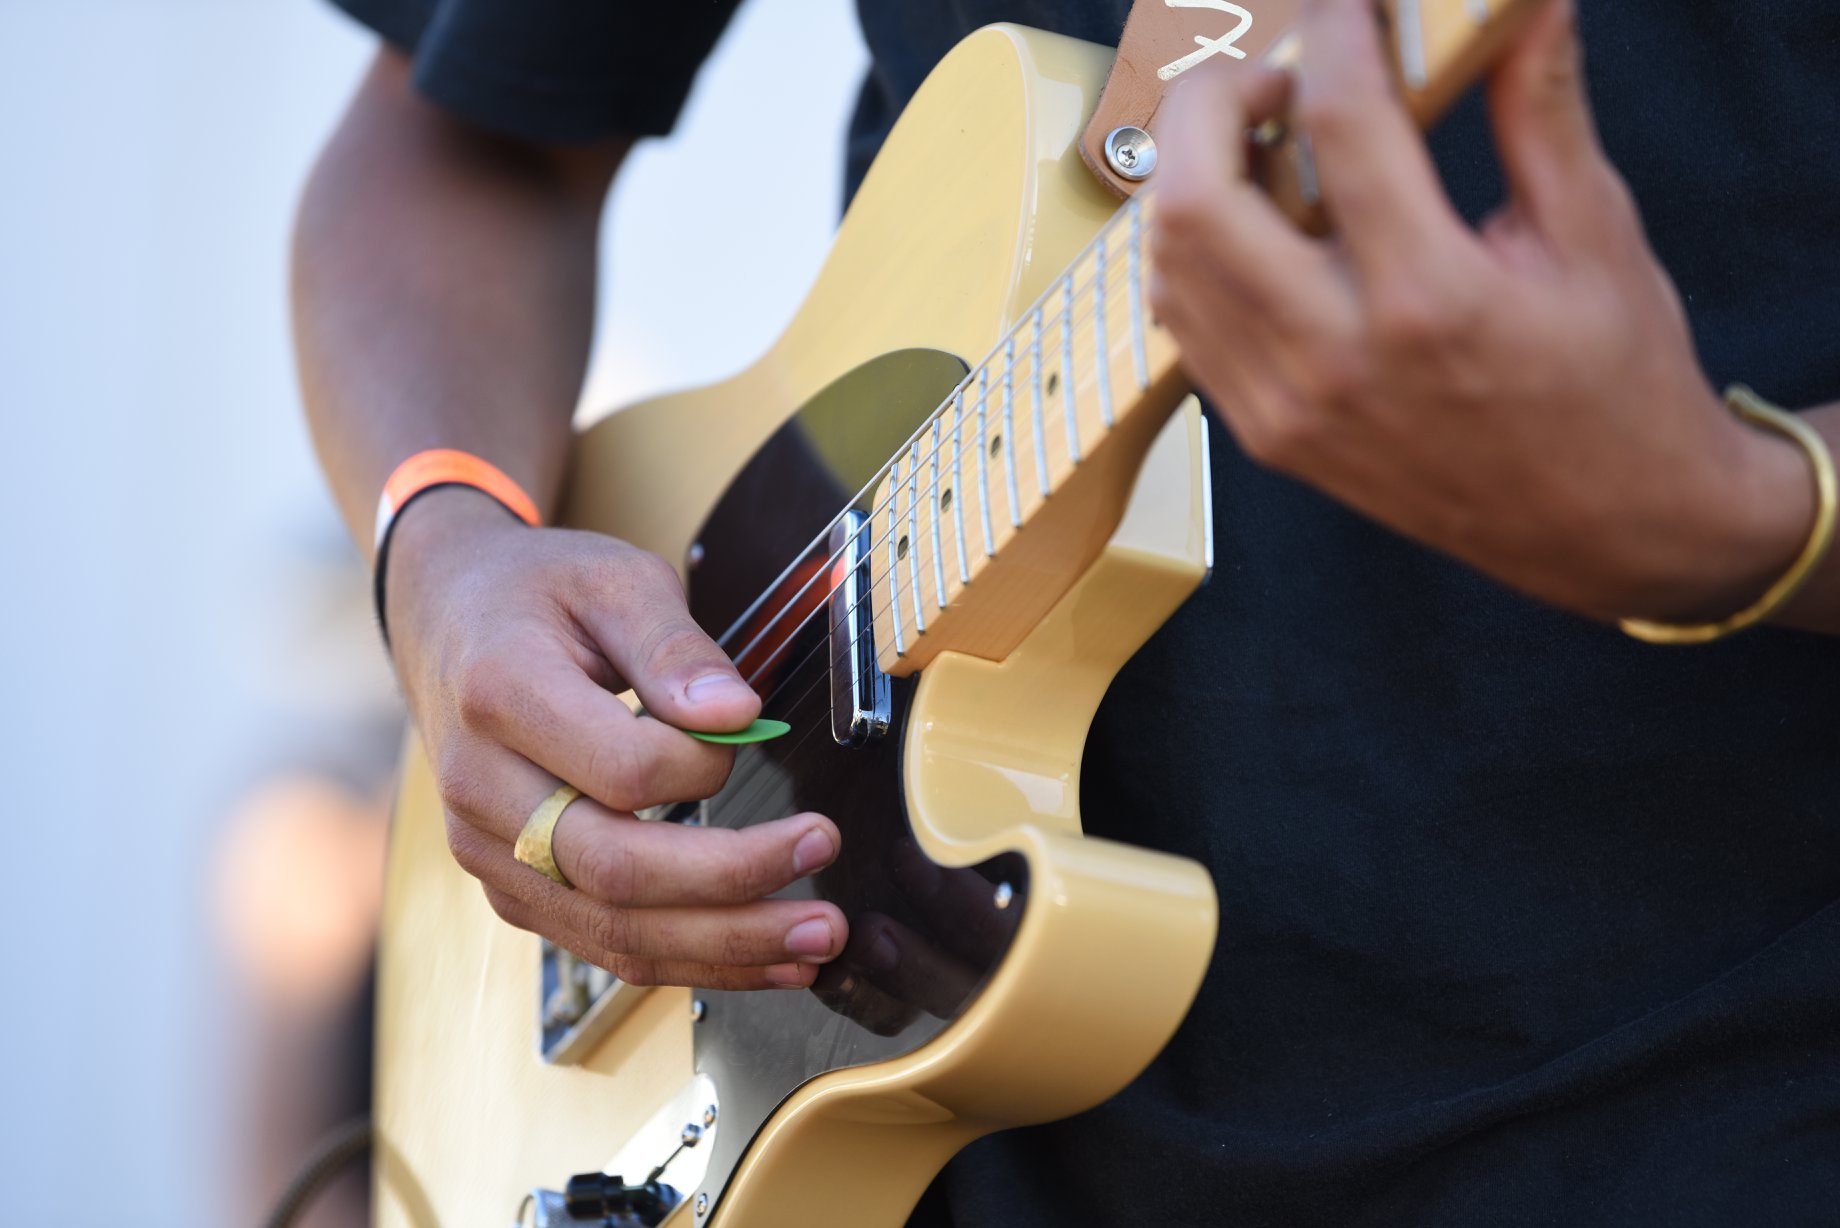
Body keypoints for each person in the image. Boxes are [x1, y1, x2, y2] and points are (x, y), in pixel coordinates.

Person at [292, 0, 1840, 1223]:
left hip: (1716, 1112)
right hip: (907, 1135)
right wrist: (441, 538)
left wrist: (1743, 513)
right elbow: (456, 145)